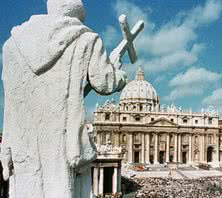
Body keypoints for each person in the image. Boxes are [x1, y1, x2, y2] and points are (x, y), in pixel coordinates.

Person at [0, 0, 130, 197]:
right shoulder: (86, 38)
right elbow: (105, 82)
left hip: (22, 143)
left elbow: (10, 98)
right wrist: (117, 72)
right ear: (77, 15)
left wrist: (7, 142)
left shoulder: (11, 45)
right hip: (63, 143)